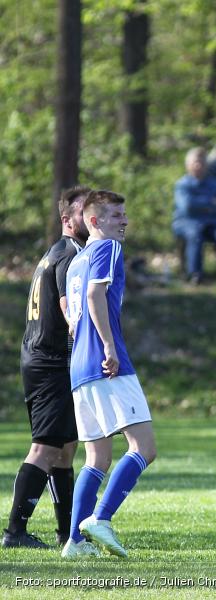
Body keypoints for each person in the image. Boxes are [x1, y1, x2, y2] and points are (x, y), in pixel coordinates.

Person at [62, 190, 157, 558]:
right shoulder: (107, 249)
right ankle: (100, 519)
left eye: (124, 214)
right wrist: (109, 346)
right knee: (144, 448)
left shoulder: (76, 261)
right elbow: (93, 297)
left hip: (78, 369)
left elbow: (72, 316)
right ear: (94, 221)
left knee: (96, 458)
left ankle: (76, 542)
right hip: (105, 362)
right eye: (116, 215)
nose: (124, 221)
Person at [3, 186, 92, 550]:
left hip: (45, 359)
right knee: (44, 446)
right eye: (84, 212)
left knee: (66, 446)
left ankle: (66, 531)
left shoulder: (57, 252)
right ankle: (15, 531)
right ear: (67, 219)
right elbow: (69, 308)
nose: (91, 217)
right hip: (52, 361)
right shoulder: (70, 255)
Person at [172, 147, 216, 283]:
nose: (198, 166)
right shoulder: (182, 185)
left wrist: (202, 206)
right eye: (195, 162)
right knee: (195, 235)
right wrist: (210, 202)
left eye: (201, 162)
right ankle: (195, 273)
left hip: (214, 222)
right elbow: (187, 207)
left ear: (206, 165)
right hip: (187, 222)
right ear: (188, 165)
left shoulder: (215, 184)